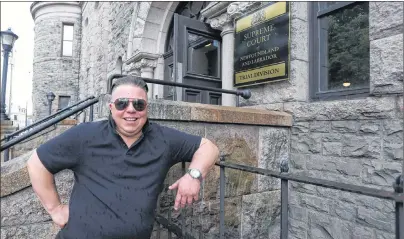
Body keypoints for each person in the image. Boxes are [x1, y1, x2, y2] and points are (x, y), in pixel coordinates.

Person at [26, 75, 220, 239]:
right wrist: (55, 209)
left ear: (146, 108)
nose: (131, 109)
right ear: (111, 107)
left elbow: (208, 147)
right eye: (121, 103)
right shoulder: (84, 136)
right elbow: (36, 163)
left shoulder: (164, 139)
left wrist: (194, 175)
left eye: (138, 104)